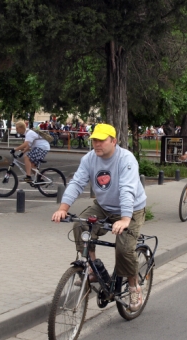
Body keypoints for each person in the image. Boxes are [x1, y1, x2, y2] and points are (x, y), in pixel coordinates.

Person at [51, 123, 147, 311]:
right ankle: (93, 268)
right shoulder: (90, 159)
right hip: (103, 207)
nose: (97, 144)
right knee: (80, 225)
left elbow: (127, 190)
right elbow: (77, 182)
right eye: (94, 140)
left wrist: (125, 219)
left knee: (124, 249)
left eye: (101, 140)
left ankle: (134, 286)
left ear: (114, 141)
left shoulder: (126, 159)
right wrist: (63, 208)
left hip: (131, 210)